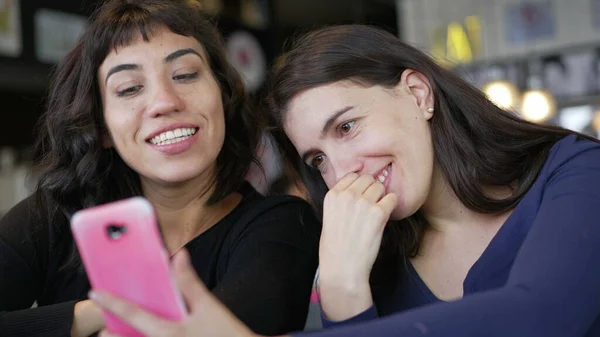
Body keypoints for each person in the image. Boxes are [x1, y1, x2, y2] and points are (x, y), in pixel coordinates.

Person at [91, 24, 600, 337]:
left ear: (418, 93)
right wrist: (344, 290)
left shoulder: (574, 171)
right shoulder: (380, 264)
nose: (342, 172)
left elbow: (543, 316)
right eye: (317, 160)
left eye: (347, 126)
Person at [0, 1, 321, 336]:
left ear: (222, 99)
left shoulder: (282, 224)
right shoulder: (55, 216)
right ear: (103, 128)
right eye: (129, 89)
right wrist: (99, 311)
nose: (165, 102)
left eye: (185, 75)